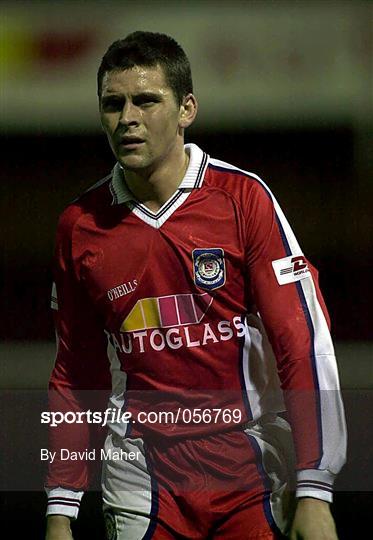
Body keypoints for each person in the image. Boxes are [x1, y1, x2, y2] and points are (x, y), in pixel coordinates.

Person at [45, 31, 346, 540]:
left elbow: (301, 341)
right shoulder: (80, 225)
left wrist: (315, 486)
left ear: (187, 109)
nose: (127, 118)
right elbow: (76, 374)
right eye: (113, 104)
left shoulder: (243, 199)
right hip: (141, 468)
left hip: (250, 464)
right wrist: (60, 510)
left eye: (146, 100)